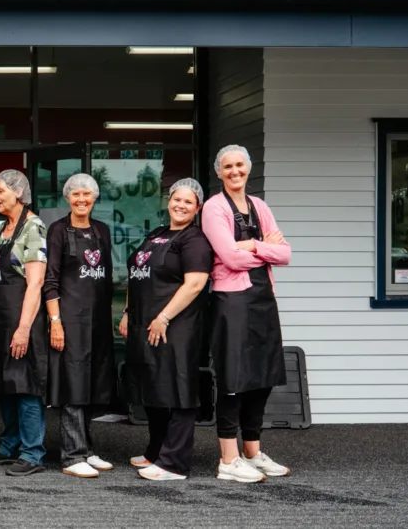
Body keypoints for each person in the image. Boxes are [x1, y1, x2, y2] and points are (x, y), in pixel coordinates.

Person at [202, 145, 293, 483]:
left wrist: (253, 245)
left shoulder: (260, 206)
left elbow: (286, 255)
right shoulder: (213, 208)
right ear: (219, 172)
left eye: (240, 165)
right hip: (232, 301)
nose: (235, 171)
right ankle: (229, 458)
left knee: (262, 376)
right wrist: (265, 249)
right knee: (234, 378)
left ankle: (252, 452)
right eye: (228, 166)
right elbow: (229, 258)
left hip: (263, 298)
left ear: (248, 168)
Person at [121, 179, 214, 481]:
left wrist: (164, 316)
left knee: (177, 391)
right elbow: (136, 274)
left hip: (176, 327)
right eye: (176, 199)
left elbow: (195, 284)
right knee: (154, 389)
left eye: (188, 201)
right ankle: (155, 451)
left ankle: (174, 463)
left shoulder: (194, 240)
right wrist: (126, 312)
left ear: (197, 207)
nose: (180, 205)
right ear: (169, 201)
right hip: (146, 325)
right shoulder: (158, 233)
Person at [0, 170, 49, 478]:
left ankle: (33, 453)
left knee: (25, 385)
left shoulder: (33, 227)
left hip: (20, 319)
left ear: (18, 192)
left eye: (0, 190)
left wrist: (24, 328)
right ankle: (9, 446)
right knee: (4, 386)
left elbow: (35, 283)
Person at [43, 174, 115, 478]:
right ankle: (72, 456)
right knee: (73, 385)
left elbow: (108, 279)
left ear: (95, 197)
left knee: (91, 383)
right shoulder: (58, 230)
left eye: (87, 194)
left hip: (97, 320)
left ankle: (87, 449)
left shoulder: (102, 230)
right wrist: (55, 322)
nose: (82, 199)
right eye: (76, 195)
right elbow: (51, 281)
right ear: (67, 198)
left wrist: (110, 319)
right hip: (70, 319)